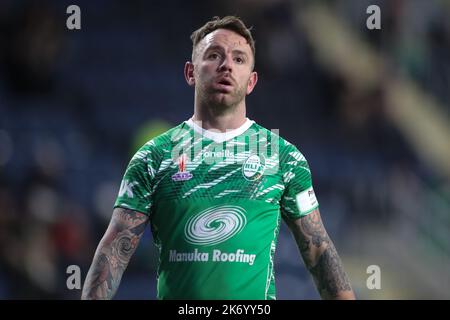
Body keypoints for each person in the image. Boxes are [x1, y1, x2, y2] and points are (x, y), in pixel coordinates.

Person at [81, 16, 355, 300]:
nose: (226, 65)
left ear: (251, 81)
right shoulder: (154, 156)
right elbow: (114, 249)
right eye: (214, 55)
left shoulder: (283, 158)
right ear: (190, 72)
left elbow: (319, 249)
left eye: (239, 59)